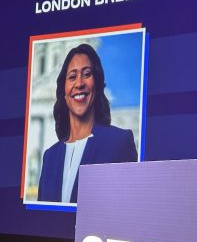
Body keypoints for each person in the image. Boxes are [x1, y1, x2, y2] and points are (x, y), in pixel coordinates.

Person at [38, 43, 138, 203]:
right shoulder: (50, 156)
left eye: (87, 74)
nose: (79, 83)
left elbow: (130, 207)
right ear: (63, 92)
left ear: (97, 86)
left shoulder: (119, 142)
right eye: (72, 77)